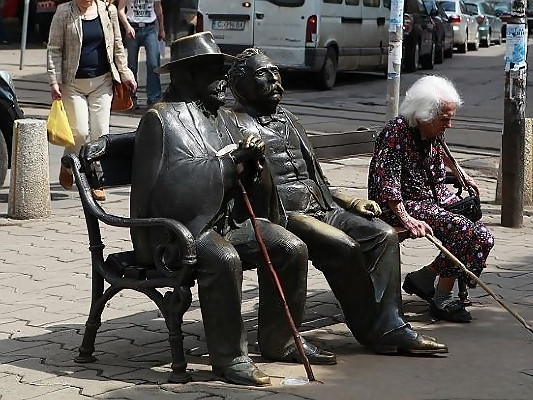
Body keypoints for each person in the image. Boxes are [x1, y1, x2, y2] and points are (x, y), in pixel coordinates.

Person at [130, 32, 335, 386]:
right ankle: (229, 357)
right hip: (178, 230)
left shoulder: (222, 116)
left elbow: (242, 171)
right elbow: (170, 186)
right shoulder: (160, 119)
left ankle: (281, 340)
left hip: (226, 221)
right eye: (214, 72)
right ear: (188, 75)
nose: (223, 80)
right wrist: (229, 163)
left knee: (290, 247)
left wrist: (252, 161)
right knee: (223, 258)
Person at [224, 48, 447, 356]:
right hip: (282, 215)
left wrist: (350, 201)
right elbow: (231, 179)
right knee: (344, 247)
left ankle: (391, 324)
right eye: (263, 74)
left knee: (382, 234)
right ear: (239, 85)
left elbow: (319, 179)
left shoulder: (290, 120)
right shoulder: (233, 124)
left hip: (323, 206)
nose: (274, 80)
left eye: (276, 72)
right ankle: (372, 329)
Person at [368, 75, 495, 323]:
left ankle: (426, 276)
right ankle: (442, 299)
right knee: (462, 230)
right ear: (423, 115)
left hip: (431, 197)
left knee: (482, 237)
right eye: (445, 119)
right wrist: (407, 219)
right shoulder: (395, 133)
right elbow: (387, 182)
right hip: (402, 203)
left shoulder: (430, 129)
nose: (449, 125)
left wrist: (461, 174)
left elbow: (443, 153)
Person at [47, 0, 137, 201]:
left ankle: (97, 181)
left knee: (100, 134)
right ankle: (67, 164)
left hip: (102, 82)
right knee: (80, 132)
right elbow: (54, 49)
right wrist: (54, 80)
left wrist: (126, 74)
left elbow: (117, 46)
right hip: (72, 84)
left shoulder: (108, 11)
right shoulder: (64, 12)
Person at [117, 0, 164, 108]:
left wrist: (161, 29)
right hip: (133, 26)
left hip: (150, 28)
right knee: (131, 65)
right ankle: (130, 97)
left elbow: (158, 9)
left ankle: (154, 97)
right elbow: (120, 10)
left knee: (153, 63)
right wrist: (127, 26)